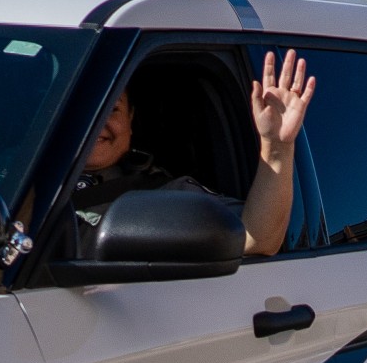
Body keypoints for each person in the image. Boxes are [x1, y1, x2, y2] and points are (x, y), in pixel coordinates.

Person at [63, 51, 312, 258]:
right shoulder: (27, 184)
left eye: (112, 109)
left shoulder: (167, 195)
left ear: (130, 120)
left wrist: (277, 147)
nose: (96, 122)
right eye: (84, 109)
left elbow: (257, 237)